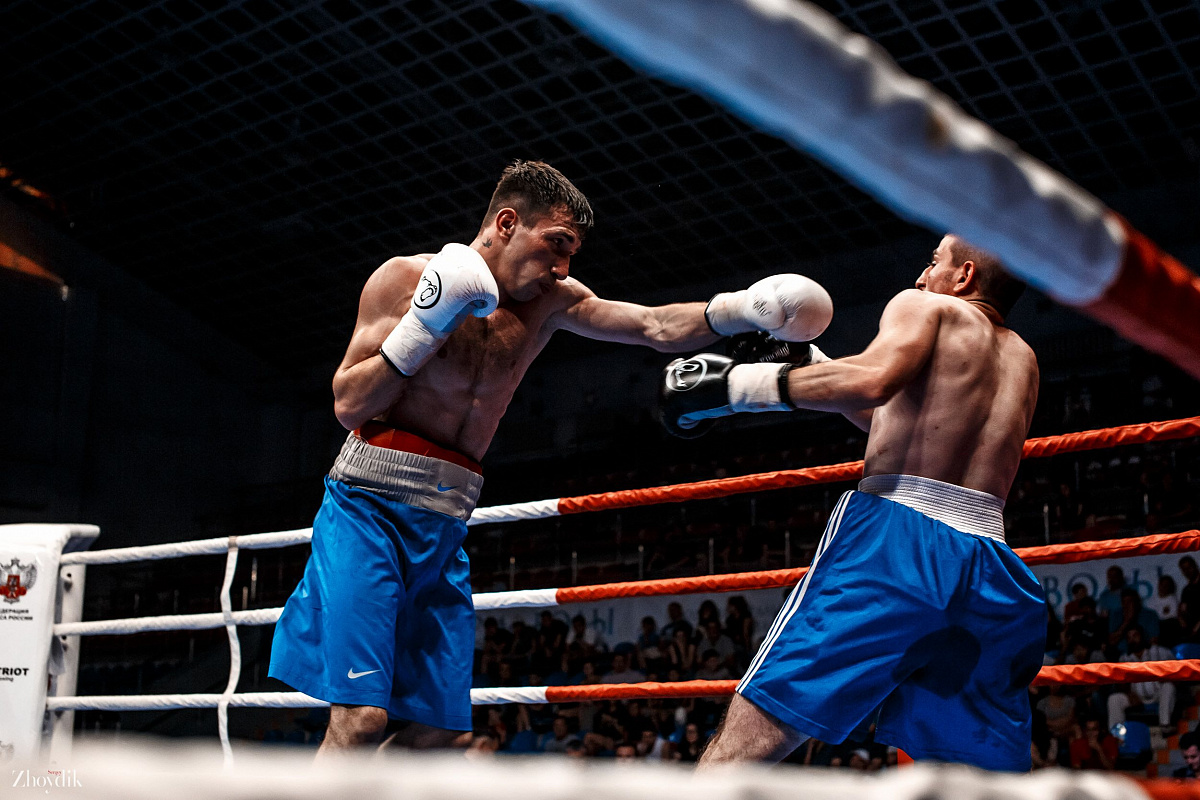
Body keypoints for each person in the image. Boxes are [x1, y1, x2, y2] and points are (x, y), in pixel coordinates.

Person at [269, 160, 833, 755]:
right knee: (360, 720)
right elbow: (349, 403)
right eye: (556, 244)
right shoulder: (406, 280)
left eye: (571, 253)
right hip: (370, 509)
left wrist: (741, 308)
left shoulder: (550, 302)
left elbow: (652, 326)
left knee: (439, 729)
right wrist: (423, 327)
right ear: (507, 223)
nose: (562, 268)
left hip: (445, 521)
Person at [661, 234, 1045, 771]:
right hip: (991, 568)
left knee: (755, 731)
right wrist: (817, 362)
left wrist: (736, 386)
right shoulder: (1023, 359)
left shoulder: (924, 307)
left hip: (900, 544)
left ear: (964, 277)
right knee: (977, 778)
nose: (920, 277)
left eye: (933, 262)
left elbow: (871, 382)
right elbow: (902, 420)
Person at [1107, 625, 1176, 728]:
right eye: (1129, 638)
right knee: (1114, 699)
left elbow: (1177, 672)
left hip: (1158, 693)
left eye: (1135, 635)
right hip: (1137, 697)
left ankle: (1165, 725)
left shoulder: (1159, 651)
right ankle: (1117, 734)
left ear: (1142, 636)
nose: (1132, 640)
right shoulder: (1124, 658)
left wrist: (1166, 677)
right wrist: (1128, 693)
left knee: (1168, 686)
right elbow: (1119, 683)